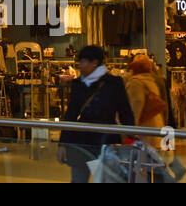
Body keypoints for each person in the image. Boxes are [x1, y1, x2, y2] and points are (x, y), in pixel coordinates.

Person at [58, 45, 136, 183]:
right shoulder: (78, 84)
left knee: (106, 179)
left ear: (94, 63)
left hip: (106, 142)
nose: (80, 66)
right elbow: (71, 114)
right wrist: (63, 144)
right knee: (78, 179)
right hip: (81, 141)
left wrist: (132, 137)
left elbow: (125, 111)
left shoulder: (114, 83)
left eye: (83, 62)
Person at [124, 54, 168, 128]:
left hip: (143, 129)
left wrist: (129, 131)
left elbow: (135, 110)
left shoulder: (135, 83)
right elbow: (164, 103)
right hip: (156, 126)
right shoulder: (153, 80)